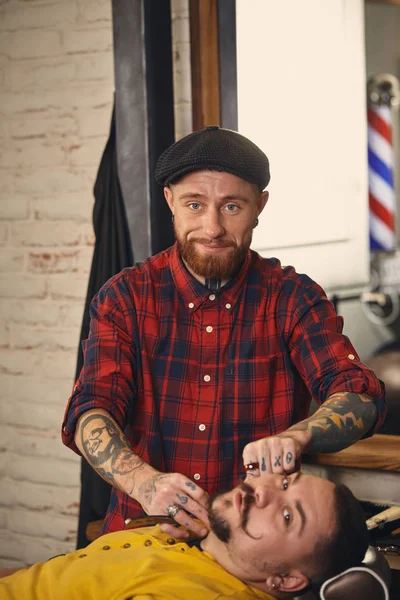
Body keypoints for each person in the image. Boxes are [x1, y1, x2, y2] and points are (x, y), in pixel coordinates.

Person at [61, 126, 386, 540]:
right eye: (194, 205)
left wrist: (299, 435)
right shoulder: (125, 297)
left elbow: (359, 394)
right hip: (142, 535)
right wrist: (144, 483)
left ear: (259, 206)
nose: (212, 227)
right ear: (170, 202)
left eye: (231, 207)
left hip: (250, 548)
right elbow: (92, 408)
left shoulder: (293, 297)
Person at [0, 472, 370, 599]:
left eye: (288, 515)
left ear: (287, 579)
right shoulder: (185, 542)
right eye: (286, 482)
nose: (265, 492)